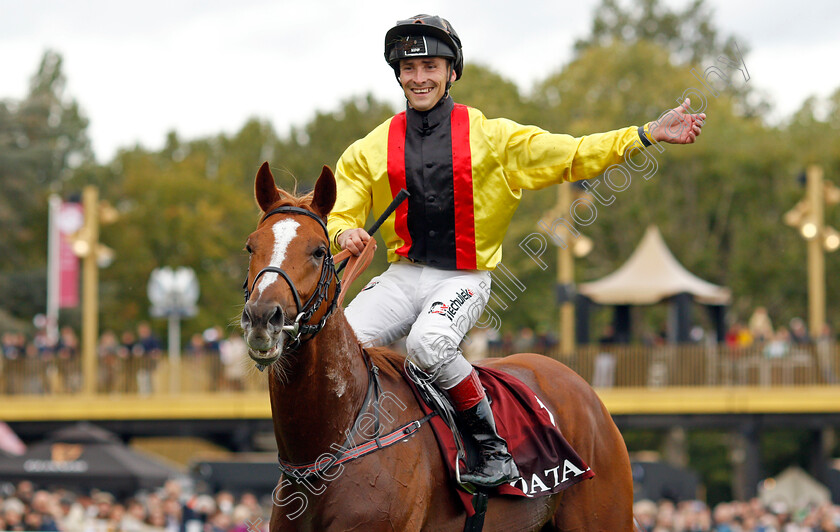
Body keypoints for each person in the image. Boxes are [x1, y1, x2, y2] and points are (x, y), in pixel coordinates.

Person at [327, 14, 705, 487]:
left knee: (429, 345)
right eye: (409, 68)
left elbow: (573, 153)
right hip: (404, 275)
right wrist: (344, 233)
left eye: (430, 66)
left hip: (462, 277)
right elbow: (342, 207)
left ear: (452, 72)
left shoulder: (493, 137)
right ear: (398, 75)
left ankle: (491, 449)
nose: (419, 77)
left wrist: (645, 133)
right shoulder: (372, 146)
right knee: (338, 346)